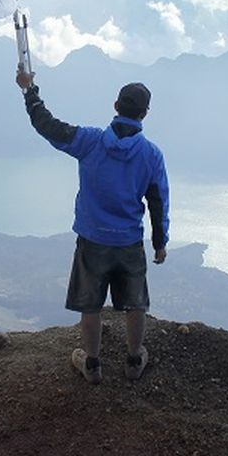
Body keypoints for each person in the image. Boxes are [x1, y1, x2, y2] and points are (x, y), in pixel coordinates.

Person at [16, 66, 169, 384]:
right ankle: (133, 360)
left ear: (116, 106)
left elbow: (47, 125)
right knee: (135, 303)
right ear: (144, 114)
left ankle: (92, 365)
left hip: (92, 240)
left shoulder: (89, 141)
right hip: (128, 242)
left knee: (92, 306)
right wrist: (159, 242)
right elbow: (157, 201)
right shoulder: (151, 155)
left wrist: (29, 91)